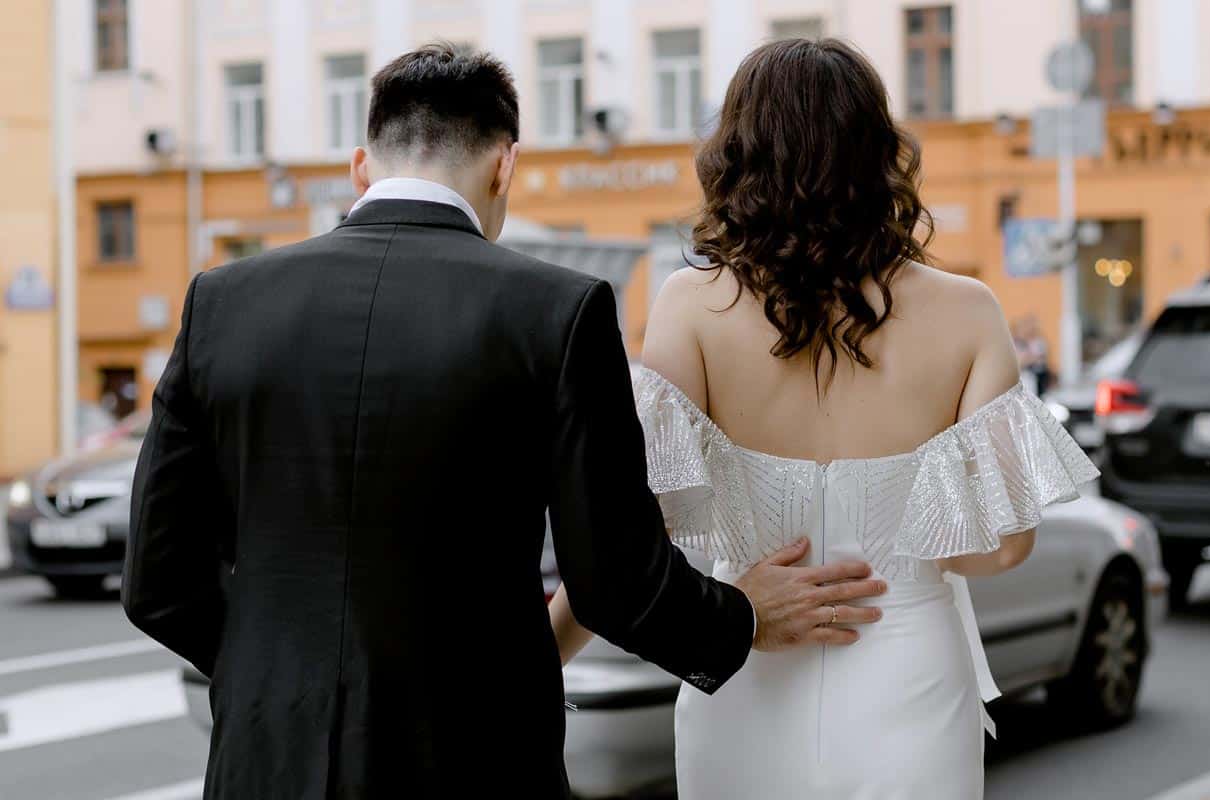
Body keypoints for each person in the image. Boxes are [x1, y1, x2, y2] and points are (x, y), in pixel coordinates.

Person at [122, 44, 886, 799]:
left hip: (268, 760)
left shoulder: (222, 302)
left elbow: (157, 581)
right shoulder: (556, 310)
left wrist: (273, 674)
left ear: (363, 166)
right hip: (477, 755)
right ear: (504, 166)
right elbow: (613, 580)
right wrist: (743, 617)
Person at [550, 39, 1099, 799]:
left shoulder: (690, 304)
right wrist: (904, 547)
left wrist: (544, 652)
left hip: (746, 670)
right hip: (908, 666)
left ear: (737, 153)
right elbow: (1004, 548)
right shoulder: (969, 312)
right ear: (880, 153)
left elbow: (624, 529)